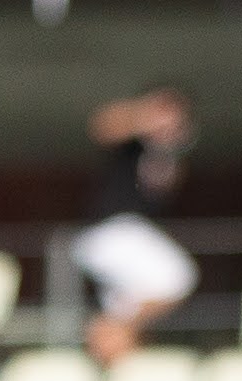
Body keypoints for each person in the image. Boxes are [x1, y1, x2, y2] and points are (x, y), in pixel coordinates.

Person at [77, 90, 202, 364]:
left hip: (128, 236)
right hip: (110, 233)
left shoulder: (166, 151)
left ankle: (108, 347)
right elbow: (101, 125)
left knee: (128, 302)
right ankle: (109, 334)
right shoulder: (132, 137)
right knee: (177, 277)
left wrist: (167, 144)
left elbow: (164, 186)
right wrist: (146, 118)